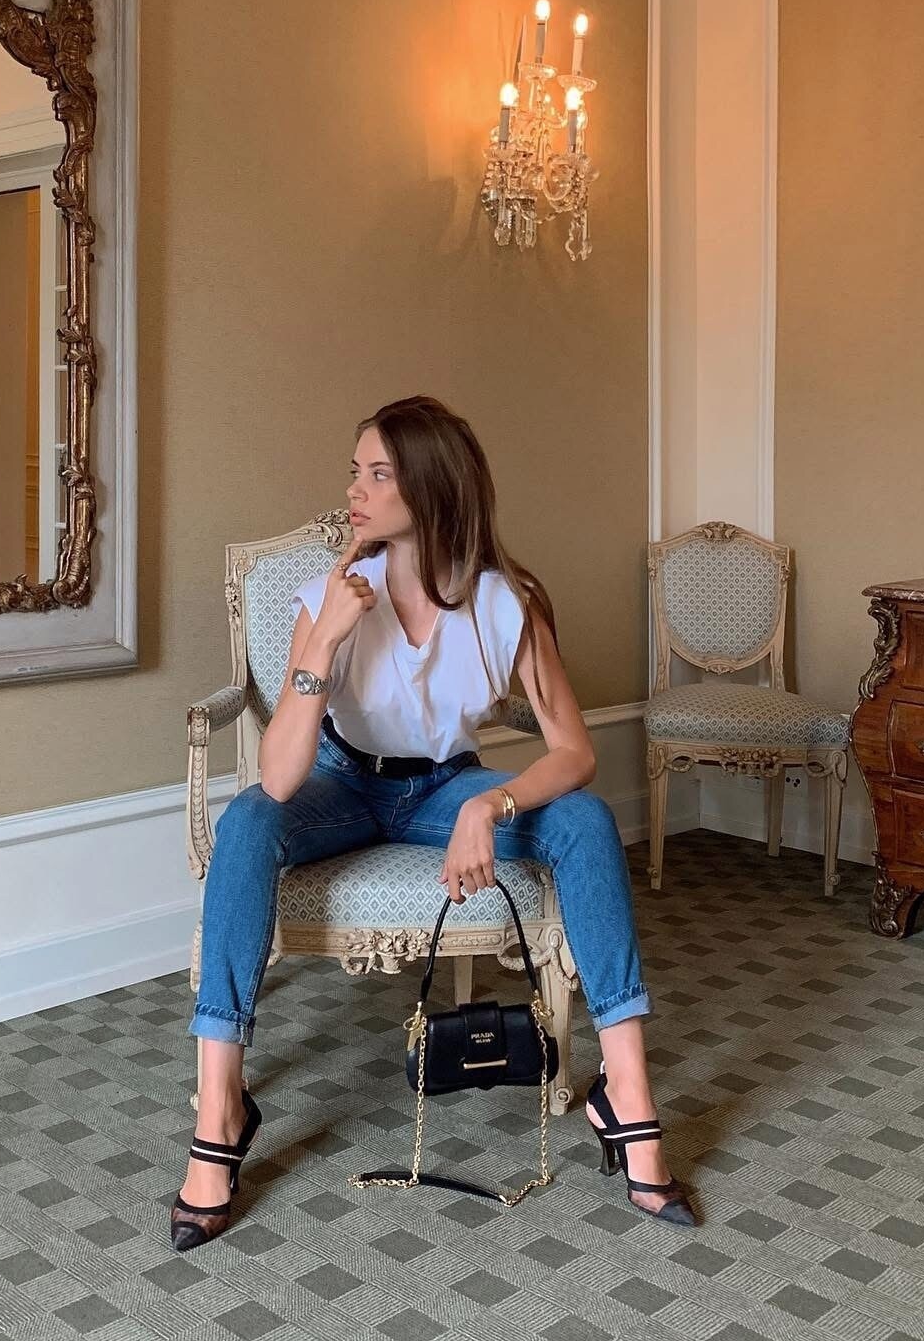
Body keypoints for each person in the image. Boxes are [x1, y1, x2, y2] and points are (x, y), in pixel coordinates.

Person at [173, 394, 696, 1250]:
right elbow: (280, 777)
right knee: (247, 825)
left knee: (584, 821)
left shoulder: (505, 602)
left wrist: (491, 804)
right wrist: (324, 640)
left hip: (445, 787)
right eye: (355, 471)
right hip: (340, 785)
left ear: (431, 485)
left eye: (379, 474)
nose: (356, 489)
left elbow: (573, 752)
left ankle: (626, 1091)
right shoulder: (329, 597)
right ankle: (221, 1108)